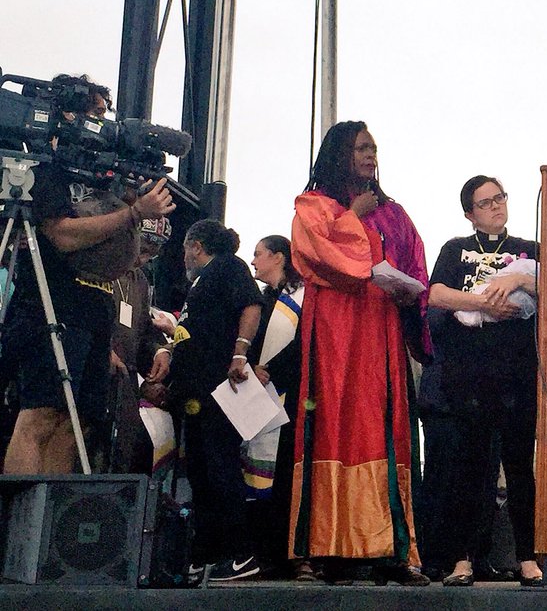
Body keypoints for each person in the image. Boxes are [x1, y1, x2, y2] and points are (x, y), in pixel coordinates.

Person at [3, 75, 175, 475]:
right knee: (41, 415)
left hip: (95, 306)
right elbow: (62, 235)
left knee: (75, 422)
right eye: (95, 113)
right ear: (68, 114)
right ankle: (19, 507)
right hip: (52, 299)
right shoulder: (46, 170)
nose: (103, 122)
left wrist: (132, 198)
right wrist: (133, 213)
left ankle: (51, 510)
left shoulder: (98, 176)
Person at [290, 121, 432, 585]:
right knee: (332, 425)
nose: (370, 155)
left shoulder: (394, 214)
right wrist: (352, 214)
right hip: (334, 332)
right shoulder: (313, 206)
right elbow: (324, 259)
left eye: (373, 148)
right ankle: (324, 548)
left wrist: (412, 292)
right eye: (360, 148)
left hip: (380, 329)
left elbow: (415, 267)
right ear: (339, 154)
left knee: (382, 427)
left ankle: (391, 549)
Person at [427, 176, 543, 588]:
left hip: (517, 374)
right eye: (486, 202)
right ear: (469, 213)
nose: (496, 206)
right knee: (469, 469)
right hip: (468, 377)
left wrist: (517, 280)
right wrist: (483, 303)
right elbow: (437, 294)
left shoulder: (529, 249)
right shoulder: (455, 248)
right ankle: (462, 559)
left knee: (519, 466)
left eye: (500, 198)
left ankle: (527, 557)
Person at [168, 220, 263, 582]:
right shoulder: (199, 284)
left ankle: (241, 553)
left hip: (218, 388)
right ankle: (206, 553)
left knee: (222, 468)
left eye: (185, 248)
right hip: (194, 393)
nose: (183, 256)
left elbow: (250, 305)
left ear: (196, 245)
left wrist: (240, 353)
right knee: (201, 473)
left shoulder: (227, 266)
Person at [245, 235, 305, 578]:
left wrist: (272, 369)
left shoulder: (302, 295)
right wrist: (252, 365)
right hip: (257, 395)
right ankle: (261, 554)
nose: (253, 261)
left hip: (290, 396)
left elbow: (305, 342)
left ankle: (288, 554)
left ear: (279, 257)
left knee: (284, 477)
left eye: (258, 254)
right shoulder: (260, 299)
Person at [106, 217, 173, 474]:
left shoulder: (141, 281)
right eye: (142, 249)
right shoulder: (101, 268)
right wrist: (104, 349)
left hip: (126, 382)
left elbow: (144, 330)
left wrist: (160, 351)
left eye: (151, 254)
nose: (143, 259)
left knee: (125, 449)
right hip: (97, 371)